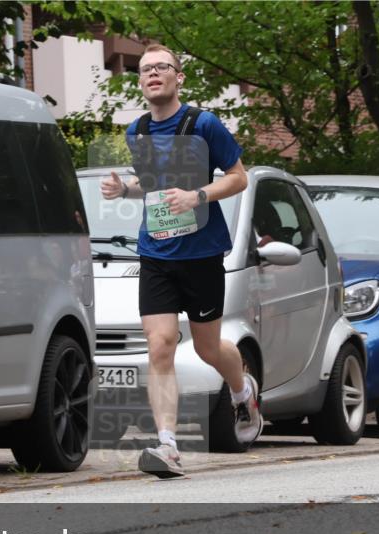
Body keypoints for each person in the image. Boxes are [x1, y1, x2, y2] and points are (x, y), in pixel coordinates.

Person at [100, 44, 260, 478]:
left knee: (209, 348)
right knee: (161, 344)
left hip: (201, 254)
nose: (153, 73)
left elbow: (239, 177)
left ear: (178, 77)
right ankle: (167, 444)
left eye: (162, 67)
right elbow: (155, 186)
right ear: (140, 81)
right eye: (145, 68)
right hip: (155, 252)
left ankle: (242, 390)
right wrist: (126, 191)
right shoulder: (138, 132)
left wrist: (199, 195)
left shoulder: (203, 124)